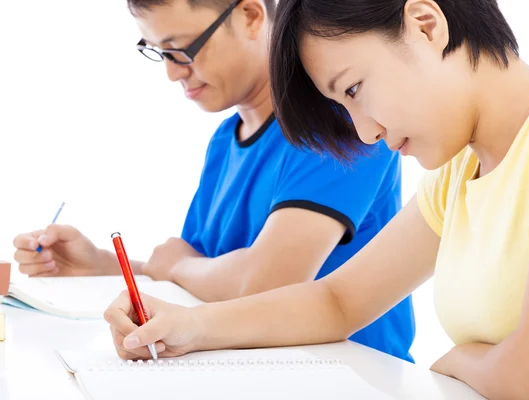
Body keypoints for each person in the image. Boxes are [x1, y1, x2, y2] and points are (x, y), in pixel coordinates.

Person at [103, 0, 529, 398]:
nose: (364, 133)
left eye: (355, 88)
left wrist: (461, 360)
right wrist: (187, 327)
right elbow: (336, 301)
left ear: (425, 25)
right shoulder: (458, 173)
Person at [12, 0, 416, 362]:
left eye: (182, 49)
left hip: (350, 375)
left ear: (250, 16)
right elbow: (204, 275)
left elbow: (263, 282)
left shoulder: (342, 125)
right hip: (243, 367)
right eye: (159, 53)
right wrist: (100, 265)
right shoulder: (226, 141)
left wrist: (179, 267)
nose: (172, 72)